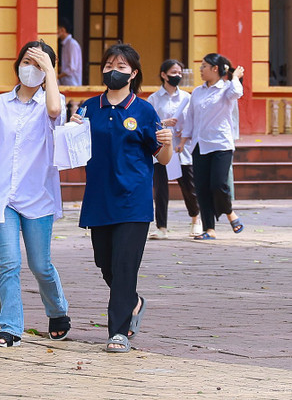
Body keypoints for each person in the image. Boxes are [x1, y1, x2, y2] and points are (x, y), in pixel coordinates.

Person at [0, 41, 70, 347]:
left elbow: (55, 111)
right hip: (2, 197)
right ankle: (10, 327)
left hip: (39, 197)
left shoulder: (52, 102)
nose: (30, 68)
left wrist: (49, 72)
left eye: (38, 63)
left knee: (40, 265)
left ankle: (58, 310)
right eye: (26, 61)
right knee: (9, 263)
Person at [71, 43, 174, 353]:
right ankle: (134, 301)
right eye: (108, 65)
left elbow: (163, 158)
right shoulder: (88, 108)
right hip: (99, 198)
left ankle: (118, 332)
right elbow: (71, 152)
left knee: (125, 266)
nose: (113, 71)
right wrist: (71, 131)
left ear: (133, 73)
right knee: (105, 264)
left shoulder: (144, 110)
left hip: (133, 200)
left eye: (120, 67)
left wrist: (168, 143)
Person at [176, 53, 245, 240]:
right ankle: (209, 229)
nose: (200, 69)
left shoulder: (227, 88)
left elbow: (237, 93)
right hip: (199, 144)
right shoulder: (197, 92)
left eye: (204, 66)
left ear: (215, 69)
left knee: (218, 184)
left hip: (221, 144)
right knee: (202, 188)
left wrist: (235, 77)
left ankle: (229, 212)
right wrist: (183, 142)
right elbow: (190, 118)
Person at [147, 60, 200, 239]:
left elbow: (193, 120)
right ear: (163, 74)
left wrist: (184, 134)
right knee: (160, 189)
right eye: (173, 72)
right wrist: (163, 123)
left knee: (189, 186)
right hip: (161, 148)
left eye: (179, 73)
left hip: (180, 148)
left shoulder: (187, 97)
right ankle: (161, 227)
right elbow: (148, 124)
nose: (177, 76)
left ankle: (196, 220)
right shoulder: (154, 99)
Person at [57, 19, 82, 87]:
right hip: (66, 83)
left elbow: (72, 68)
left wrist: (57, 76)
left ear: (62, 30)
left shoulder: (72, 44)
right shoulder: (65, 44)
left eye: (57, 29)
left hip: (72, 84)